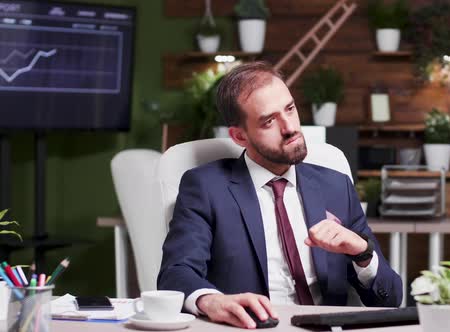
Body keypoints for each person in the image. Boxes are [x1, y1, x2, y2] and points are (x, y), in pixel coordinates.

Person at [157, 62, 402, 329]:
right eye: (269, 121)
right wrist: (211, 301)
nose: (290, 128)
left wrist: (362, 253)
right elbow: (176, 273)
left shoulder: (335, 186)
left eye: (290, 109)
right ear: (239, 136)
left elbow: (390, 298)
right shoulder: (205, 187)